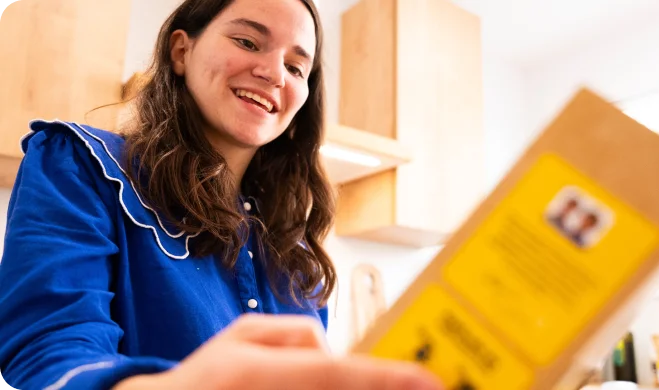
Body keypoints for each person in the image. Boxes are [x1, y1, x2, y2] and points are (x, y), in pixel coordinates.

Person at [0, 0, 444, 389]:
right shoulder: (79, 162)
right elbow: (47, 358)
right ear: (181, 51)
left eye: (295, 66)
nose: (273, 73)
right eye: (249, 42)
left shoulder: (298, 252)